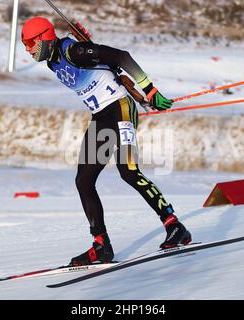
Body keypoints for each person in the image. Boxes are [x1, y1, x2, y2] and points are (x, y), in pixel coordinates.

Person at [21, 17, 192, 266]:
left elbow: (122, 57)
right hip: (101, 117)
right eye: (25, 44)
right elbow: (104, 68)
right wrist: (91, 46)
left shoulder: (74, 51)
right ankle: (101, 245)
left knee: (129, 172)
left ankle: (175, 226)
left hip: (120, 109)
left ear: (45, 38)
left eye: (31, 43)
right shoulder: (54, 61)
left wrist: (150, 91)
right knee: (84, 180)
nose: (28, 49)